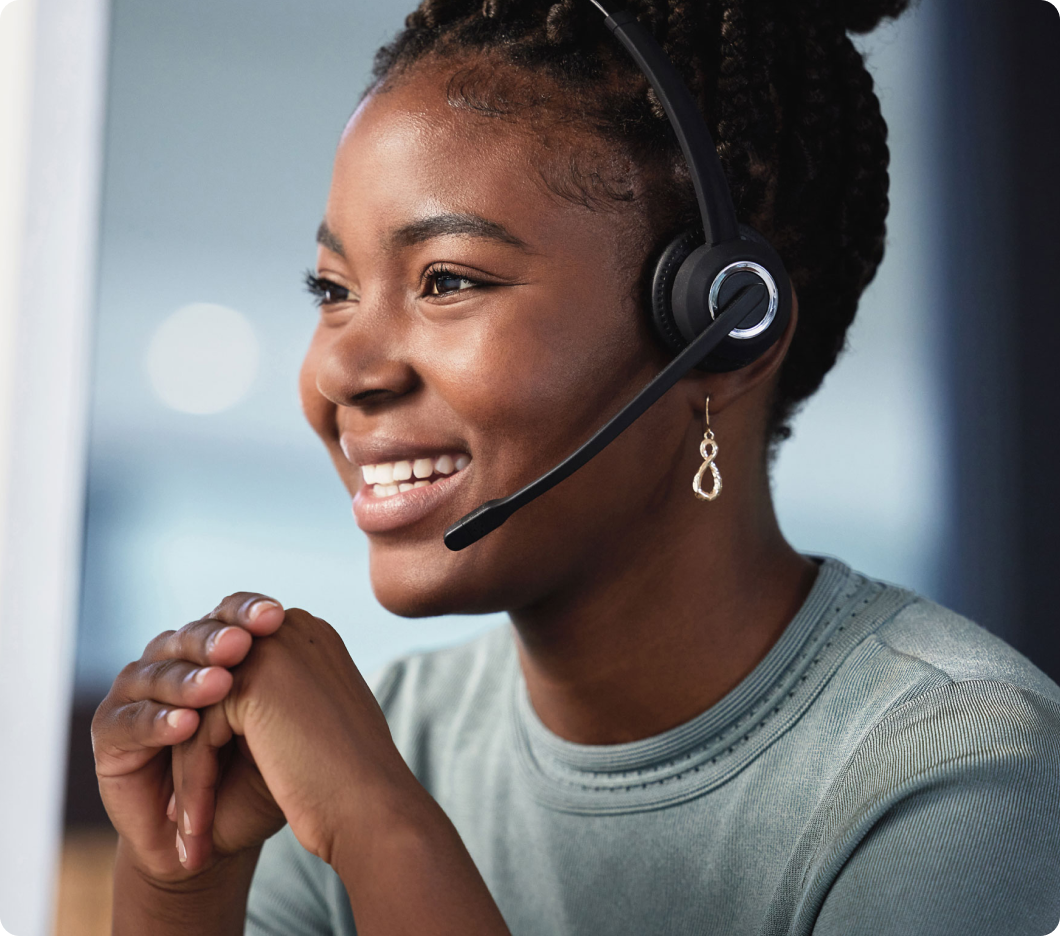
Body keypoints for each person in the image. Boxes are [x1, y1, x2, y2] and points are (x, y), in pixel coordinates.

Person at [92, 0, 1060, 933]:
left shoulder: (958, 775)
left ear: (722, 333)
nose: (338, 371)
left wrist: (387, 835)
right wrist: (182, 886)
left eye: (447, 281)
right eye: (332, 289)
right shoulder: (388, 739)